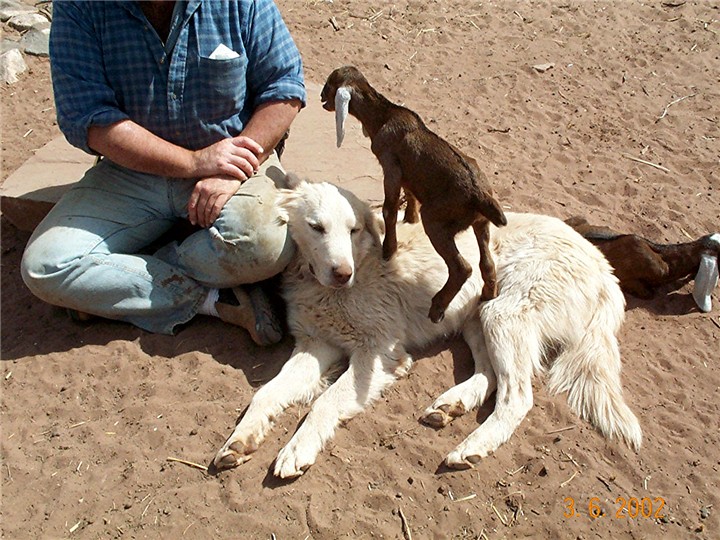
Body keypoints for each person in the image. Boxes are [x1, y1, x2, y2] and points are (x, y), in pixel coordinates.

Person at [20, 0, 307, 346]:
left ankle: (116, 281)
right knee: (46, 266)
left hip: (232, 164)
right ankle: (216, 300)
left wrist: (234, 167)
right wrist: (194, 162)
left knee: (268, 245)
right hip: (132, 171)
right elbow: (88, 118)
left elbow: (285, 88)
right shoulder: (81, 6)